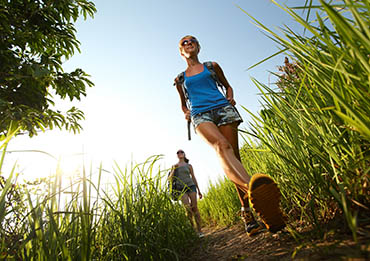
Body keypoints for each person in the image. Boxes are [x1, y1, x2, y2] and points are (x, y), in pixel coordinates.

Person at [173, 35, 285, 236]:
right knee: (221, 146)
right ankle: (254, 190)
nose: (189, 44)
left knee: (234, 157)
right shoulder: (180, 79)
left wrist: (230, 97)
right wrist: (186, 112)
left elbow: (227, 86)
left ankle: (248, 215)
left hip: (223, 109)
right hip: (200, 114)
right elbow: (183, 103)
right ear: (181, 51)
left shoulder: (212, 66)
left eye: (192, 41)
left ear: (198, 47)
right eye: (185, 43)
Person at [168, 149, 204, 238]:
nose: (180, 153)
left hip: (191, 186)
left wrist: (199, 190)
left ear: (184, 154)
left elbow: (193, 177)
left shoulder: (189, 165)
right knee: (187, 209)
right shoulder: (174, 166)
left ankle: (200, 231)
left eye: (181, 152)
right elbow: (169, 178)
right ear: (177, 155)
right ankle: (193, 230)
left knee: (195, 207)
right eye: (178, 152)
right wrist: (174, 169)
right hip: (180, 188)